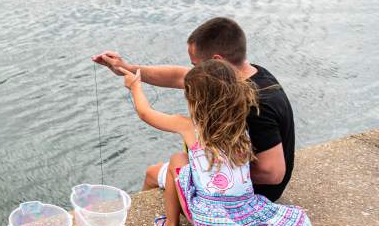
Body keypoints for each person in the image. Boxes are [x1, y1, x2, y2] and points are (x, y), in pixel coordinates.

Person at [118, 59, 311, 226]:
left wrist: (135, 86)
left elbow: (145, 113)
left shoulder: (188, 126)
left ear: (195, 102)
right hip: (242, 219)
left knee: (178, 159)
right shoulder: (241, 127)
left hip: (206, 220)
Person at [93, 17, 295, 202]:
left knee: (155, 173)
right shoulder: (244, 78)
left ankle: (163, 223)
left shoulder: (256, 104)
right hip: (237, 184)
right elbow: (178, 76)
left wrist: (206, 171)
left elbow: (273, 173)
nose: (193, 71)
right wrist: (127, 68)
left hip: (250, 194)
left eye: (196, 65)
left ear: (217, 61)